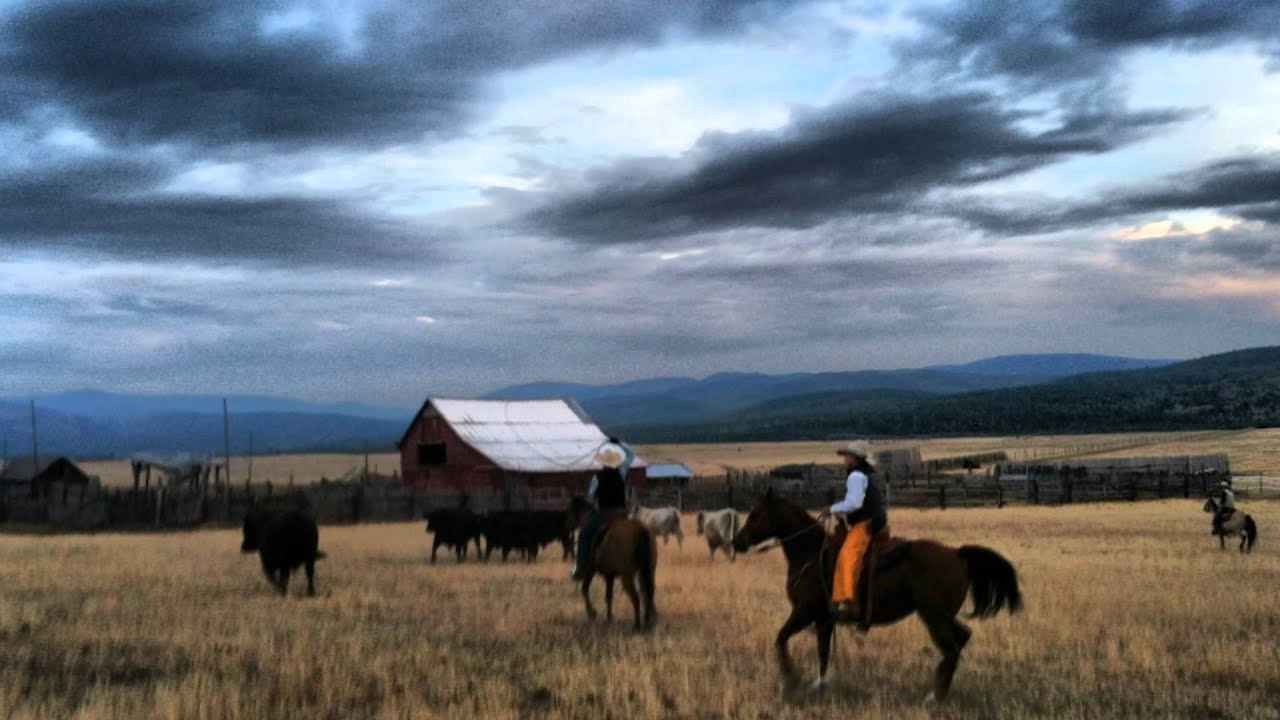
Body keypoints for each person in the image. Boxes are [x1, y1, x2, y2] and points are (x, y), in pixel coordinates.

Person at [818, 440, 886, 627]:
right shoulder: (866, 473)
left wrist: (831, 509)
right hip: (876, 519)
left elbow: (854, 503)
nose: (844, 458)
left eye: (847, 455)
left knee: (846, 556)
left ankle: (846, 600)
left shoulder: (855, 476)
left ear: (856, 459)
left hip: (866, 522)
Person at [572, 436, 635, 581]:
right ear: (616, 461)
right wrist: (619, 442)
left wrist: (590, 499)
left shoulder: (597, 478)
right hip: (623, 512)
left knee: (584, 534)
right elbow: (631, 453)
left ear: (603, 462)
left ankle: (581, 566)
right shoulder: (622, 470)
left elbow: (591, 498)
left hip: (605, 513)